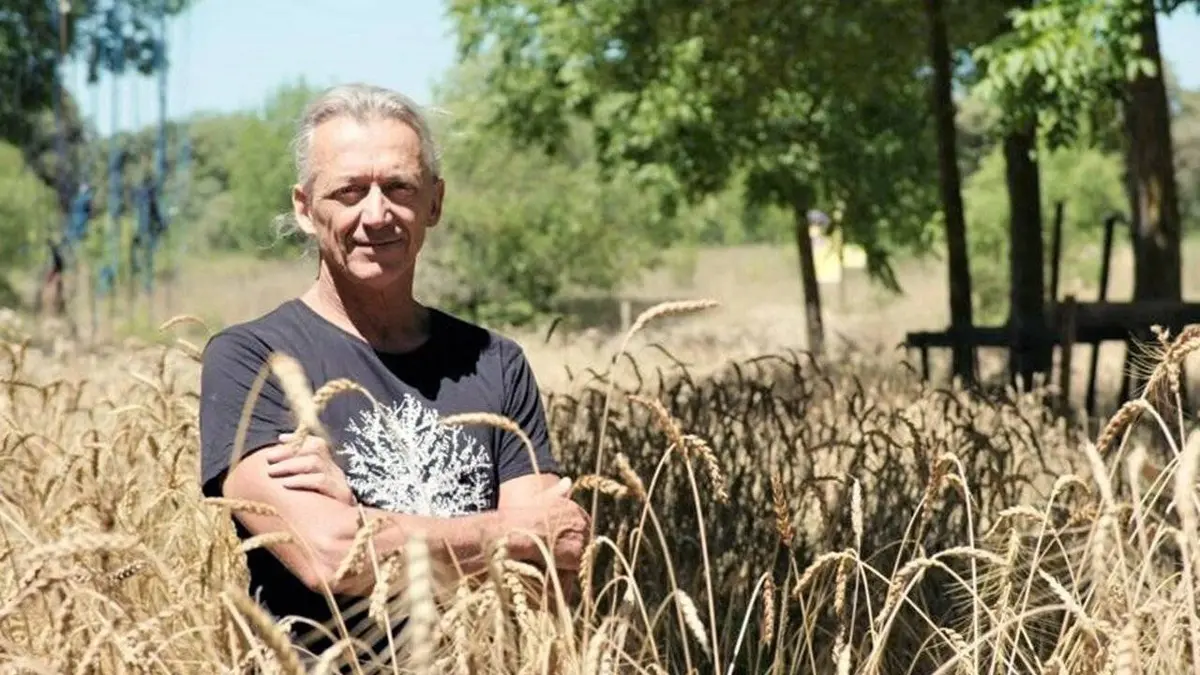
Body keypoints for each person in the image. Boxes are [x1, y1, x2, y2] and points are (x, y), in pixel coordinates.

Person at [197, 83, 590, 661]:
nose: (376, 214)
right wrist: (510, 531)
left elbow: (553, 574)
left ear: (434, 202)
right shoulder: (254, 361)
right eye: (349, 190)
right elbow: (331, 557)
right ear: (306, 209)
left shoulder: (495, 361)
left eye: (399, 187)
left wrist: (365, 519)